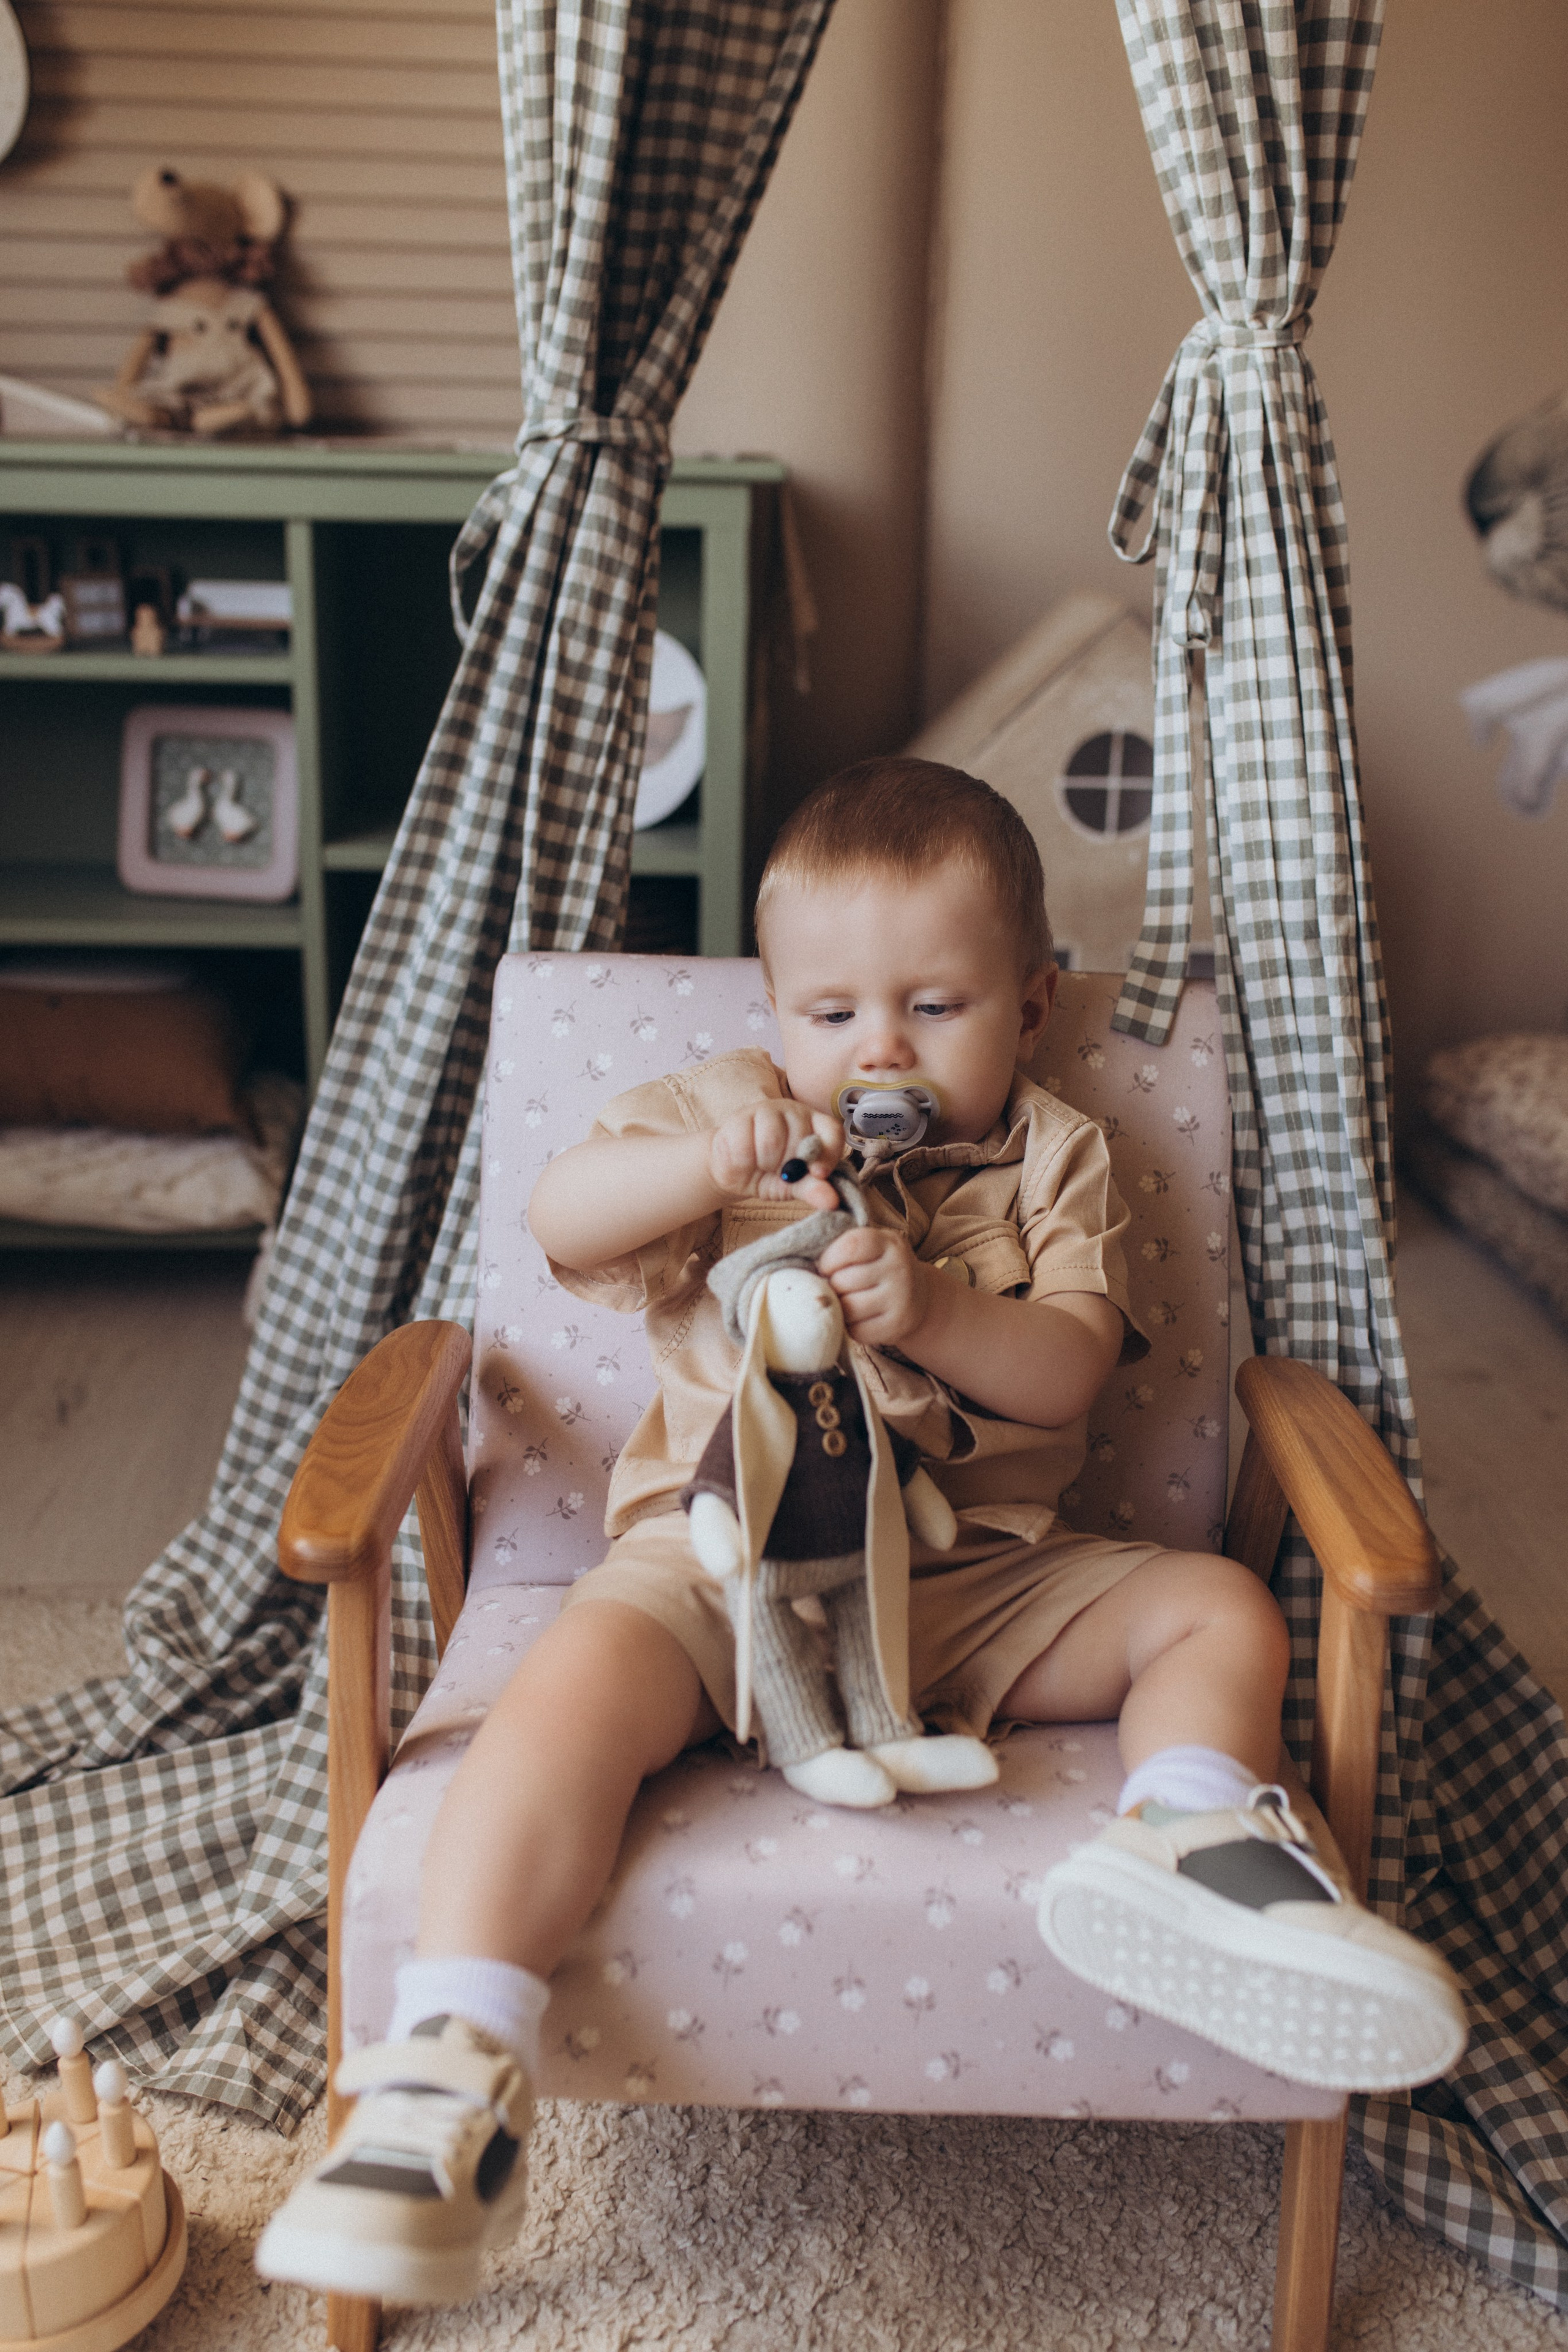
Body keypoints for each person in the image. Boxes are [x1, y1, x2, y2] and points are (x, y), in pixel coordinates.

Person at [257, 758, 1466, 2307]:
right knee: (565, 1692)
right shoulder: (730, 1117)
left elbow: (1073, 1364)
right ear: (771, 1010)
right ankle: (452, 2057)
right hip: (723, 1558)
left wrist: (948, 1312)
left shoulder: (1056, 1153)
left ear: (1030, 1007)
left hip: (982, 1583)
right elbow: (564, 1217)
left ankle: (1190, 1838)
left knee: (1219, 1606)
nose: (873, 1047)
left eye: (933, 1010)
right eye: (828, 1013)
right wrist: (708, 1167)